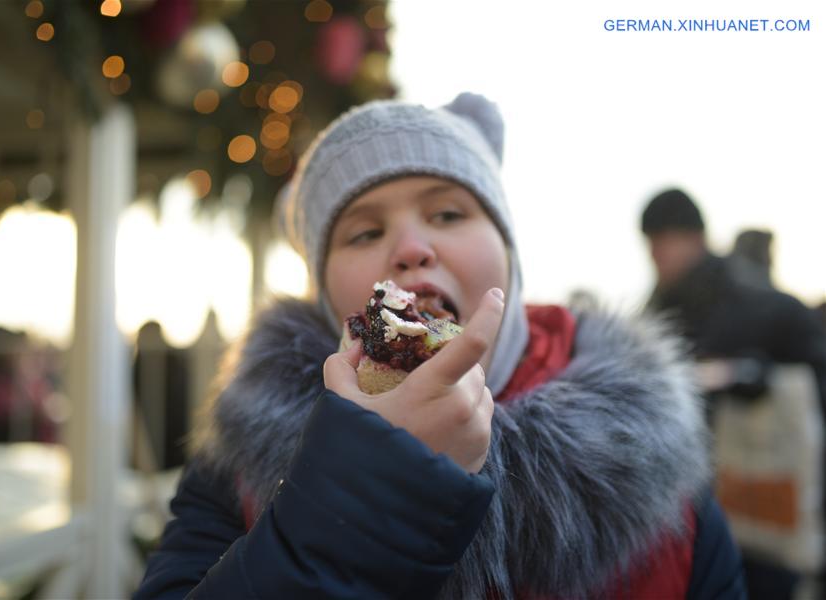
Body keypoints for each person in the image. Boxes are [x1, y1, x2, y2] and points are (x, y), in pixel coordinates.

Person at [135, 94, 744, 599]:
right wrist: (367, 479)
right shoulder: (236, 469)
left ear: (511, 259)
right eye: (366, 231)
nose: (410, 246)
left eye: (449, 214)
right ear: (326, 299)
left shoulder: (658, 471)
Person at [641, 188, 826, 600]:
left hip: (764, 495)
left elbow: (813, 372)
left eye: (660, 242)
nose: (654, 256)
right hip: (704, 498)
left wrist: (752, 374)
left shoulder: (759, 302)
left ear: (692, 237)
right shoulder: (658, 307)